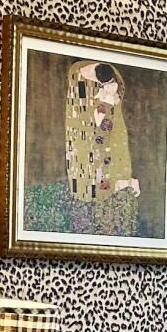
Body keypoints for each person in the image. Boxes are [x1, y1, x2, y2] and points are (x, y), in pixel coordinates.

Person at [64, 60, 140, 236]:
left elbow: (115, 95)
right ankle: (90, 194)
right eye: (105, 84)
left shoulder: (111, 79)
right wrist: (97, 111)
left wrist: (108, 100)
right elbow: (79, 105)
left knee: (110, 148)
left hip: (106, 124)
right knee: (89, 159)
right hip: (88, 127)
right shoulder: (80, 76)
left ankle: (106, 189)